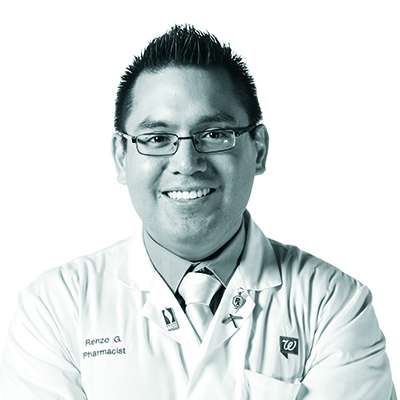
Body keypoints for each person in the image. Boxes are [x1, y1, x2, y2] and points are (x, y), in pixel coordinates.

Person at [0, 25, 396, 400]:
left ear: (258, 148)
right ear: (121, 157)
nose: (187, 163)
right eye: (156, 138)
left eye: (214, 135)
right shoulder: (55, 307)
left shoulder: (333, 304)